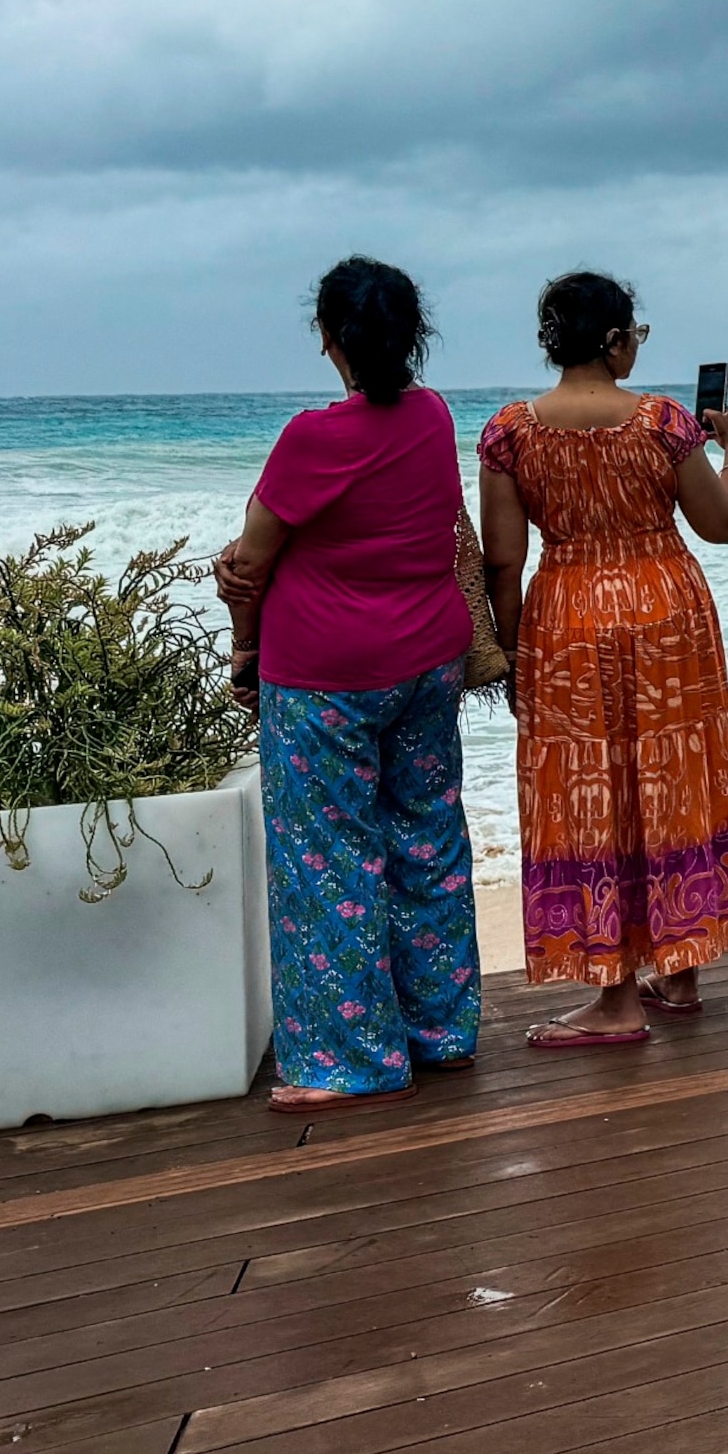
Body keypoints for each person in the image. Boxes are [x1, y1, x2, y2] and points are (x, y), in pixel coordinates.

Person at [215, 258, 481, 1112]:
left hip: (326, 676)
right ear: (413, 335)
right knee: (427, 842)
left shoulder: (312, 439)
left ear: (327, 338)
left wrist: (239, 638)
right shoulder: (433, 416)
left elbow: (252, 561)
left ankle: (351, 1060)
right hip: (429, 662)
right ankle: (440, 1032)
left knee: (326, 861)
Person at [479, 271, 728, 1049]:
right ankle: (681, 968)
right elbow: (721, 525)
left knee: (588, 787)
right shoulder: (665, 422)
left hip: (565, 614)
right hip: (668, 612)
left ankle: (613, 995)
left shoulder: (511, 432)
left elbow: (504, 558)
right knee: (671, 773)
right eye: (635, 335)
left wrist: (510, 648)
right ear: (612, 340)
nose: (637, 347)